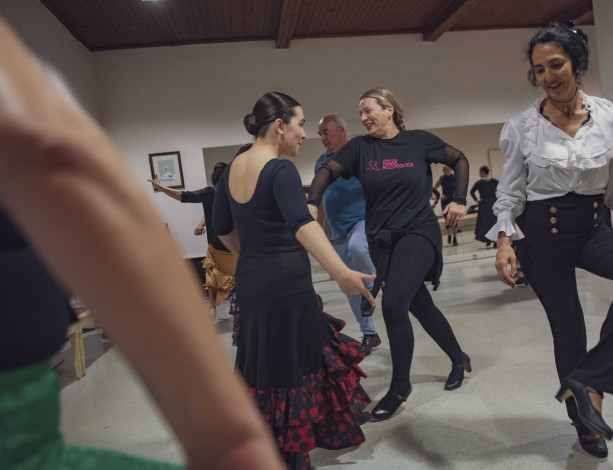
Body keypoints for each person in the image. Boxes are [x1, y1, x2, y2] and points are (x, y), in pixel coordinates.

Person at [0, 18, 282, 469]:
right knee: (221, 293)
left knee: (226, 293)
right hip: (220, 251)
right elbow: (56, 158)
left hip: (229, 252)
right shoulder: (217, 191)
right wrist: (231, 440)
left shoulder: (227, 187)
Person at [489, 22, 613, 459]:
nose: (549, 76)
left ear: (575, 64)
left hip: (591, 225)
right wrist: (504, 242)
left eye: (556, 64)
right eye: (539, 70)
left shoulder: (611, 117)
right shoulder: (521, 128)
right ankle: (586, 425)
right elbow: (510, 192)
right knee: (568, 328)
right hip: (541, 235)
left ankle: (588, 381)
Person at [212, 91, 376, 469]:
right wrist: (341, 272)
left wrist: (254, 255)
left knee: (273, 359)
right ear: (280, 125)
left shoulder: (235, 163)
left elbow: (222, 227)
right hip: (286, 280)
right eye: (301, 125)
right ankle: (291, 455)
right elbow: (301, 223)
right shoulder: (280, 168)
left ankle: (337, 421)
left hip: (253, 280)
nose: (305, 134)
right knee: (290, 365)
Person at [308, 87, 471, 422]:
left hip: (419, 231)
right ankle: (458, 357)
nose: (364, 118)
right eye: (360, 114)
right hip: (383, 239)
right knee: (418, 304)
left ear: (389, 109)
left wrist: (460, 199)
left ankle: (399, 387)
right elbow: (326, 172)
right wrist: (312, 202)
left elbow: (459, 159)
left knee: (395, 305)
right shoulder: (359, 148)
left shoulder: (418, 141)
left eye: (368, 110)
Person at [314, 114, 381, 355]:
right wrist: (317, 229)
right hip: (337, 231)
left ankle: (374, 285)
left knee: (358, 248)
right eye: (320, 133)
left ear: (341, 130)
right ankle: (370, 334)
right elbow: (320, 198)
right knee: (350, 286)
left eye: (325, 132)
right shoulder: (321, 162)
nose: (322, 138)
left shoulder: (358, 154)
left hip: (361, 222)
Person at [149, 162, 236, 320]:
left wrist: (160, 187)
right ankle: (212, 307)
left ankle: (224, 307)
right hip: (219, 247)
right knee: (212, 279)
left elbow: (185, 196)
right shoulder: (215, 193)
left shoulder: (228, 193)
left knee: (229, 282)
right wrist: (201, 223)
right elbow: (184, 196)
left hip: (232, 249)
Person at [469, 165, 499, 247]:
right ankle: (494, 241)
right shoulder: (495, 181)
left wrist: (477, 200)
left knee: (485, 223)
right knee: (494, 222)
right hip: (493, 202)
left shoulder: (479, 183)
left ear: (482, 173)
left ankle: (488, 240)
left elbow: (471, 192)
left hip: (484, 204)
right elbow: (502, 188)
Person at [434, 165, 459, 246]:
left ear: (451, 169)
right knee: (448, 220)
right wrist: (439, 196)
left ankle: (455, 238)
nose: (445, 170)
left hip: (454, 202)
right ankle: (449, 236)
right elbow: (434, 188)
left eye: (447, 169)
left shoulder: (455, 177)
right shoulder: (441, 179)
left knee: (454, 220)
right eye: (444, 169)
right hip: (445, 202)